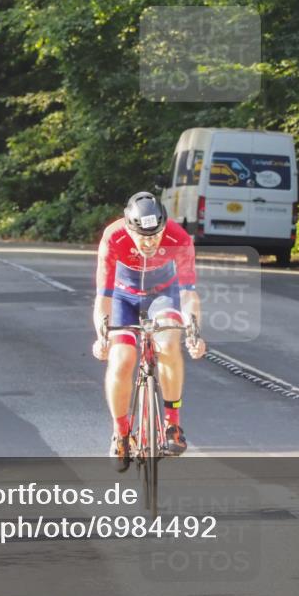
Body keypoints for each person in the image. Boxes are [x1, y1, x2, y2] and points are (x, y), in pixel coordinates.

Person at [92, 191, 206, 471]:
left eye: (155, 235)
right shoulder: (114, 236)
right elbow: (103, 297)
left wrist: (194, 332)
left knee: (168, 341)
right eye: (142, 236)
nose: (149, 242)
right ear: (129, 228)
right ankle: (121, 433)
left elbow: (189, 293)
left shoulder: (179, 238)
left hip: (162, 295)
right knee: (122, 359)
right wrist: (102, 336)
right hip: (123, 297)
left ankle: (172, 424)